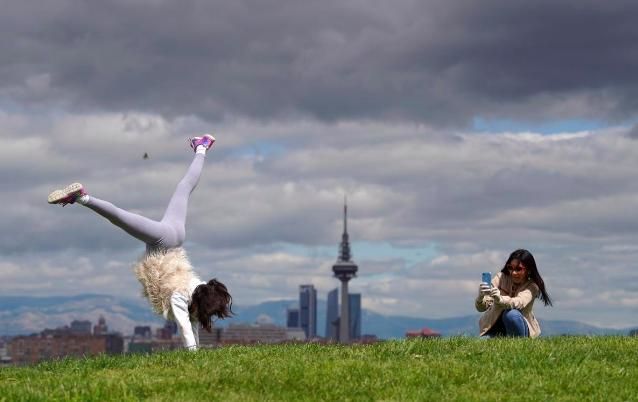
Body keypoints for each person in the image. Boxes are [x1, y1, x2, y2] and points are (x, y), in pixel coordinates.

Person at [47, 134, 233, 350]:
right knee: (120, 218)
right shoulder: (179, 298)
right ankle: (81, 197)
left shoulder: (198, 291)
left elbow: (191, 326)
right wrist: (194, 355)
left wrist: (198, 350)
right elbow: (184, 328)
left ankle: (202, 147)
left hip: (176, 237)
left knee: (184, 188)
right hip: (163, 241)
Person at [475, 249, 552, 338]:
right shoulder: (500, 277)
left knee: (511, 314)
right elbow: (481, 308)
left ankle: (519, 343)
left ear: (529, 270)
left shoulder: (532, 286)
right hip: (495, 326)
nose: (513, 273)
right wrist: (481, 297)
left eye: (518, 269)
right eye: (510, 268)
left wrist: (500, 299)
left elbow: (519, 303)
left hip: (520, 326)